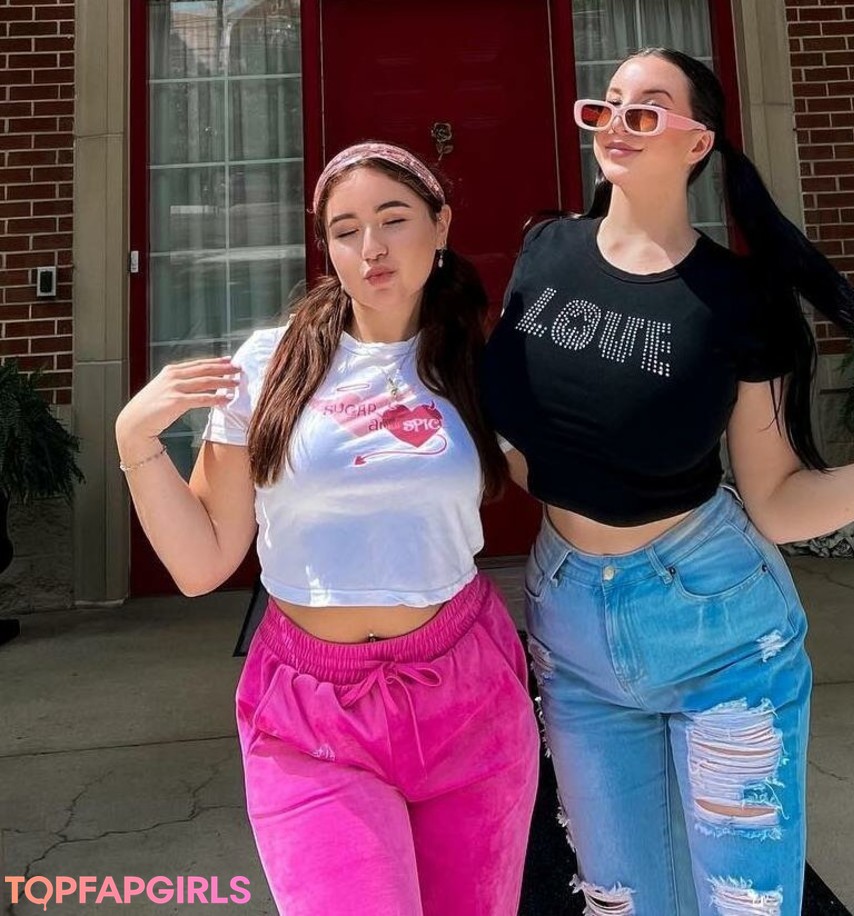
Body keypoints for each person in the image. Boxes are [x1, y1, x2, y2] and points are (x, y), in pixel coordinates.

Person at [482, 49, 854, 916]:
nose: (616, 125)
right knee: (620, 902)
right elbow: (525, 445)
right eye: (605, 107)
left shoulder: (737, 297)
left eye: (646, 111)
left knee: (743, 905)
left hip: (714, 625)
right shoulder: (546, 251)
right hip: (569, 626)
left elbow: (779, 503)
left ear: (698, 143)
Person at [116, 141, 539, 916]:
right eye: (346, 230)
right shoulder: (269, 365)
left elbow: (576, 488)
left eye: (394, 218)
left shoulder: (479, 367)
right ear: (327, 248)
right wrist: (135, 441)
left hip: (467, 700)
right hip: (311, 719)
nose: (371, 246)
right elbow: (202, 563)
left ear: (441, 225)